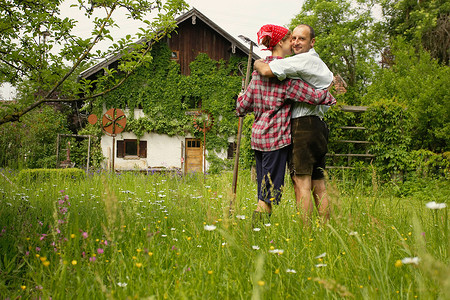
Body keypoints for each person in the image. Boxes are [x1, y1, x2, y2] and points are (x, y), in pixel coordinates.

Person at [236, 24, 336, 224]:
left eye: (299, 39)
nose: (294, 43)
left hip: (258, 139)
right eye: (291, 39)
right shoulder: (286, 80)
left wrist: (240, 98)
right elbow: (316, 97)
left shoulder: (258, 76)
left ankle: (263, 230)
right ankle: (260, 232)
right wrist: (331, 90)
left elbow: (242, 106)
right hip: (276, 140)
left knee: (266, 191)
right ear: (281, 42)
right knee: (273, 194)